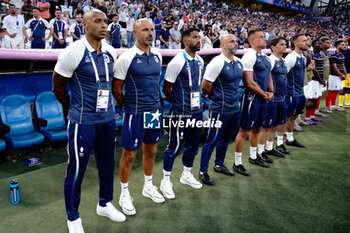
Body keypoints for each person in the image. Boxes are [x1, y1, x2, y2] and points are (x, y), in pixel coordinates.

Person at [52, 9, 126, 233]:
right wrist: (73, 109)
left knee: (107, 165)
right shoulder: (72, 52)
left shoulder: (111, 52)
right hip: (82, 121)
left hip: (107, 120)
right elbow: (57, 87)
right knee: (76, 170)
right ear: (85, 25)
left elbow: (110, 85)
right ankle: (73, 217)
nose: (104, 25)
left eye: (105, 21)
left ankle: (104, 203)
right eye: (98, 21)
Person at [113, 19, 164, 216]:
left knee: (151, 151)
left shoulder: (158, 56)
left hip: (154, 111)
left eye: (152, 29)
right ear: (134, 33)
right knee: (130, 155)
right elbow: (116, 89)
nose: (150, 33)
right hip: (134, 113)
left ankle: (148, 186)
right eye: (145, 30)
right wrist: (129, 105)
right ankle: (124, 194)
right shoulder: (127, 57)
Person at [160, 27, 204, 198]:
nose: (198, 40)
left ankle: (186, 174)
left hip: (197, 110)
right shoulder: (177, 61)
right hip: (181, 112)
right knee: (174, 146)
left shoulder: (199, 61)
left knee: (193, 145)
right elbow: (167, 88)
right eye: (194, 37)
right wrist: (178, 104)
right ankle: (165, 181)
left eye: (199, 37)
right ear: (185, 41)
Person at [199, 34, 242, 185]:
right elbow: (205, 85)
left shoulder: (238, 62)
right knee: (212, 139)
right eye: (232, 41)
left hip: (234, 108)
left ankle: (219, 164)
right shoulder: (217, 62)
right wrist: (216, 98)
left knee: (225, 138)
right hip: (219, 109)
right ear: (223, 45)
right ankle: (203, 171)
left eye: (236, 41)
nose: (235, 43)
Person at [233, 28, 274, 176]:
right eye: (261, 37)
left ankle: (253, 156)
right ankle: (237, 163)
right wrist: (264, 94)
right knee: (244, 131)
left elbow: (268, 74)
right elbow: (249, 83)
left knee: (258, 128)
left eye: (264, 36)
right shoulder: (248, 57)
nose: (265, 39)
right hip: (251, 99)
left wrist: (271, 91)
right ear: (252, 41)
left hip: (263, 97)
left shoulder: (266, 57)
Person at [257, 37, 289, 157]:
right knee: (266, 126)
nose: (284, 46)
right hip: (272, 100)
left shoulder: (283, 61)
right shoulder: (270, 60)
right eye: (281, 44)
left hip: (281, 98)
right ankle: (260, 151)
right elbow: (265, 78)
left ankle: (269, 148)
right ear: (273, 47)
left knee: (275, 124)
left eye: (285, 44)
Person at [284, 34, 311, 149]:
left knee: (294, 116)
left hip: (300, 91)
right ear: (296, 44)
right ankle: (288, 138)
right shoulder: (291, 57)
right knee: (289, 116)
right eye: (303, 41)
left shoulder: (303, 57)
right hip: (291, 92)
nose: (307, 43)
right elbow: (282, 74)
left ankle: (289, 136)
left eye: (306, 40)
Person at [326, 40, 347, 111]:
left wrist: (345, 74)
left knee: (336, 91)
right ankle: (327, 107)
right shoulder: (333, 55)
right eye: (342, 45)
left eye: (345, 45)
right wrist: (341, 75)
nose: (344, 46)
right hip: (334, 76)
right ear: (337, 46)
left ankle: (333, 105)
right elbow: (334, 67)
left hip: (340, 76)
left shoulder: (342, 55)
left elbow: (342, 65)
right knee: (331, 91)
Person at [343, 38, 350, 108]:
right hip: (348, 72)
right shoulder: (347, 51)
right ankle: (345, 103)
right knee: (346, 88)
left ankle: (347, 103)